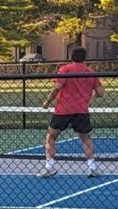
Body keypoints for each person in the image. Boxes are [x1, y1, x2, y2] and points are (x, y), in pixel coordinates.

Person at [39, 47, 105, 178]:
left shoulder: (65, 70)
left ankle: (49, 167)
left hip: (63, 110)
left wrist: (47, 102)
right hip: (81, 111)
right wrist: (88, 96)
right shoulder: (90, 72)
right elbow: (100, 93)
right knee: (85, 138)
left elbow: (57, 87)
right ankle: (92, 168)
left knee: (51, 136)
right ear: (85, 58)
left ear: (71, 56)